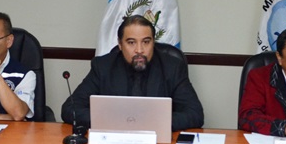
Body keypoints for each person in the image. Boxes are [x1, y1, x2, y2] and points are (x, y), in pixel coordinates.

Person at [61, 14, 204, 131]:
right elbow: (70, 108)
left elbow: (195, 113)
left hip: (158, 142)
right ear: (120, 44)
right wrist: (113, 122)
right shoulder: (103, 67)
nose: (139, 50)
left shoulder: (172, 67)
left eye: (146, 42)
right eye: (131, 42)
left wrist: (148, 123)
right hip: (114, 141)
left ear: (153, 42)